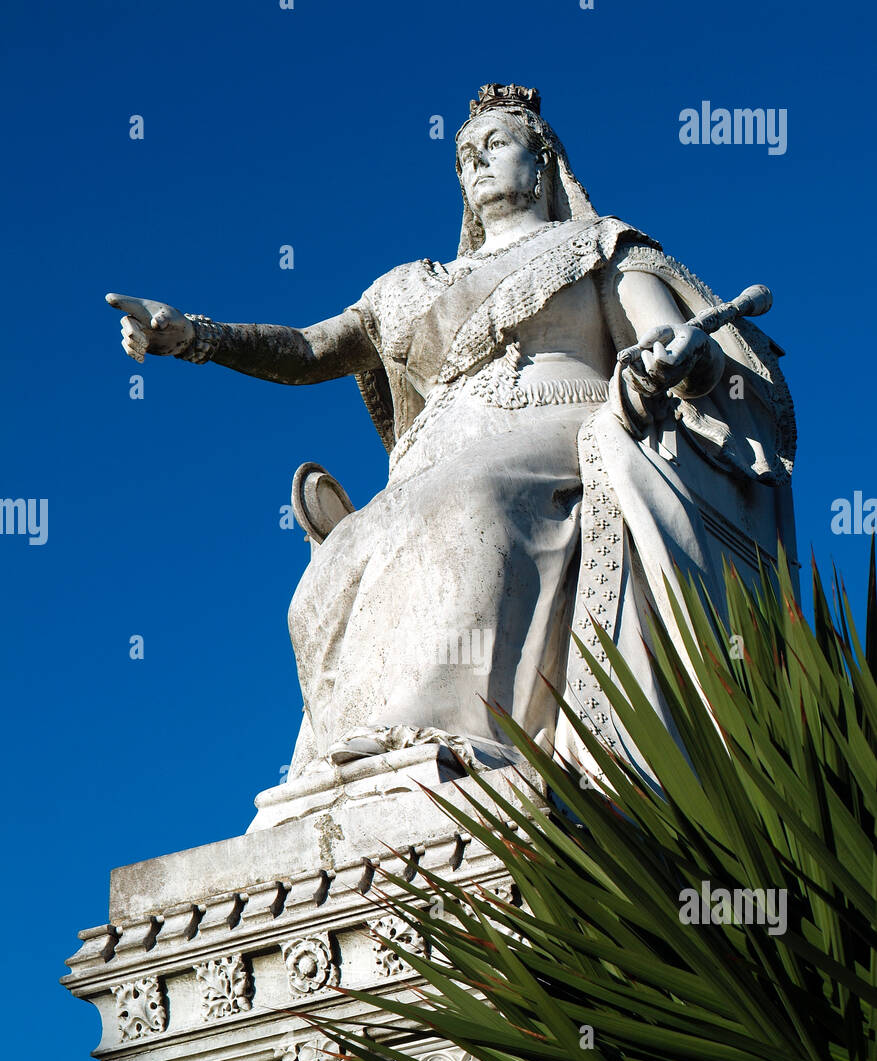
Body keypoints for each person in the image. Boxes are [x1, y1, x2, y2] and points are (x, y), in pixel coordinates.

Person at [107, 84, 796, 784]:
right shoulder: (409, 285)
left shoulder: (597, 246)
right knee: (340, 556)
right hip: (430, 456)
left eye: (497, 145)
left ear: (542, 162)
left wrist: (682, 356)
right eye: (466, 154)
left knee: (476, 504)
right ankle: (349, 758)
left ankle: (443, 734)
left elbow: (678, 345)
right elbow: (310, 351)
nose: (478, 161)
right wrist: (194, 335)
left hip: (554, 421)